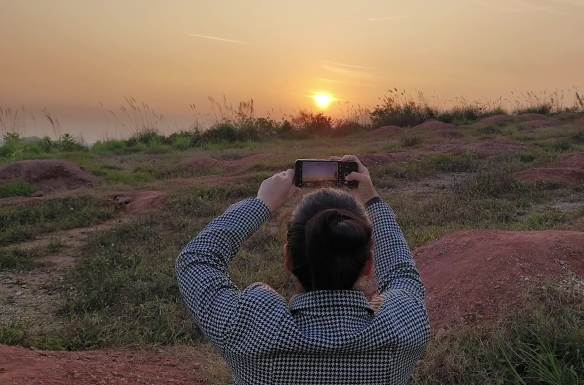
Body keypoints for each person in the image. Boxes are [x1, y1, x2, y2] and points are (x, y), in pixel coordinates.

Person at [176, 155, 430, 384]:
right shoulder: (402, 327)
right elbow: (402, 273)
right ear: (368, 266)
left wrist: (261, 204)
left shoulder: (250, 330)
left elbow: (197, 259)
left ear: (288, 258)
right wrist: (372, 199)